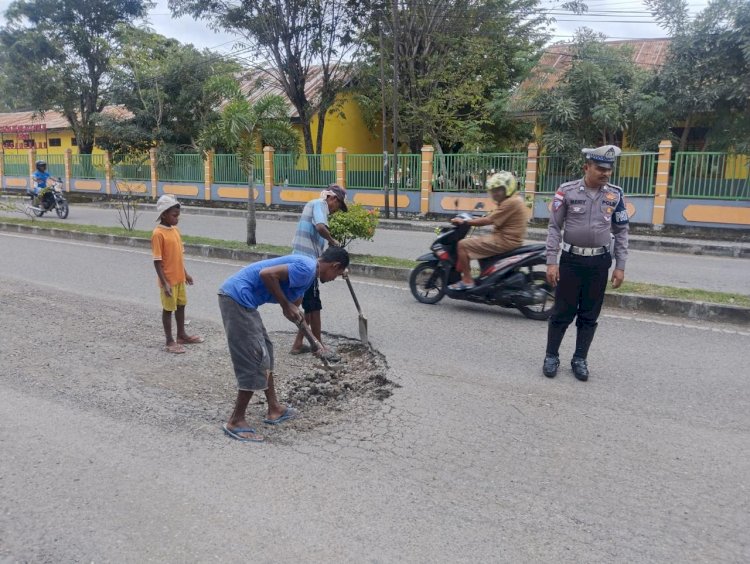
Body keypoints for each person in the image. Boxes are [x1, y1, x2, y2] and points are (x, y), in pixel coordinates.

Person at [218, 246, 350, 442]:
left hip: (245, 303)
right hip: (236, 298)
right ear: (334, 265)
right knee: (255, 357)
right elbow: (266, 274)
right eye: (337, 274)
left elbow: (296, 314)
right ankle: (236, 420)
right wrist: (284, 303)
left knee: (267, 353)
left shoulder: (307, 278)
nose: (334, 279)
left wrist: (314, 342)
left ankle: (274, 409)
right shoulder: (306, 268)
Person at [542, 144, 630, 381]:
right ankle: (551, 356)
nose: (605, 173)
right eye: (600, 168)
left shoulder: (615, 194)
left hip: (600, 263)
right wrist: (552, 261)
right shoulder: (566, 191)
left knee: (590, 314)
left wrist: (620, 266)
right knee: (562, 311)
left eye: (609, 170)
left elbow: (621, 231)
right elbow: (554, 227)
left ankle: (580, 358)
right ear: (586, 167)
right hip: (571, 261)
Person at [289, 183, 348, 355]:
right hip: (305, 263)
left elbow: (322, 251)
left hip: (307, 262)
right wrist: (333, 241)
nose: (336, 210)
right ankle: (319, 346)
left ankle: (298, 344)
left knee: (310, 304)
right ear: (332, 198)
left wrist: (339, 264)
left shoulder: (317, 207)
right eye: (338, 205)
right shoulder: (319, 204)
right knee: (313, 306)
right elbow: (321, 227)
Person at [447, 171, 528, 290]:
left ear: (508, 188)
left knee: (463, 245)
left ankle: (467, 280)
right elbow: (490, 217)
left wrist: (465, 222)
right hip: (507, 240)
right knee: (477, 241)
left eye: (498, 190)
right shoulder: (514, 200)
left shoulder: (510, 202)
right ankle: (486, 277)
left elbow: (488, 220)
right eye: (493, 190)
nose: (495, 193)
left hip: (504, 241)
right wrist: (472, 218)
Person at [151, 194, 204, 354]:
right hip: (168, 281)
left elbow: (179, 256)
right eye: (174, 215)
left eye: (178, 215)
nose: (177, 219)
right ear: (164, 214)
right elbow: (157, 261)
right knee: (168, 309)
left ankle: (181, 335)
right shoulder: (158, 234)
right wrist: (165, 282)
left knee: (181, 306)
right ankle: (169, 341)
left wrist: (185, 274)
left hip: (179, 278)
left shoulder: (175, 230)